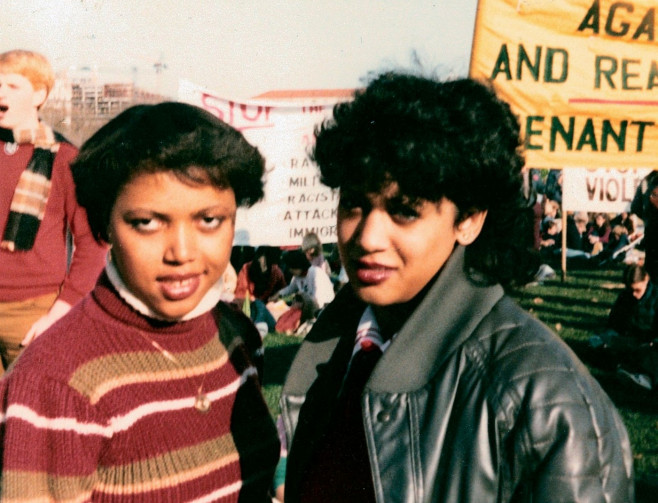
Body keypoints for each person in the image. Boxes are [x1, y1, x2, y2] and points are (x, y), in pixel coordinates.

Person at [279, 73, 634, 503]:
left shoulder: (547, 401)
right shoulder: (333, 350)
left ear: (469, 220)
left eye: (405, 211)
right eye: (355, 204)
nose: (368, 237)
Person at [0, 102, 279, 500]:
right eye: (147, 223)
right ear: (104, 225)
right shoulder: (53, 383)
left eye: (209, 220)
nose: (181, 252)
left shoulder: (237, 335)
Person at [0, 50, 107, 373]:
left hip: (33, 311)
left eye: (12, 86)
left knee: (31, 415)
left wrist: (59, 313)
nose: (0, 93)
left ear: (39, 95)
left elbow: (94, 244)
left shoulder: (65, 158)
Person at [631, 171, 658, 278]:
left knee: (651, 266)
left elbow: (635, 207)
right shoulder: (647, 180)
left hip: (651, 227)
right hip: (652, 226)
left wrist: (647, 218)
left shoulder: (646, 180)